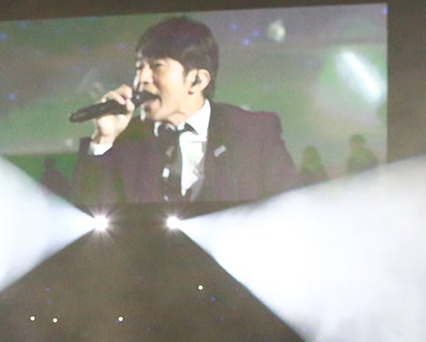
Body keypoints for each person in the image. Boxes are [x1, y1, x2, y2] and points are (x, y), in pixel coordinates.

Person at [72, 15, 298, 206]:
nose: (141, 80)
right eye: (139, 67)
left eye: (156, 66)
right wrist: (104, 138)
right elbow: (90, 218)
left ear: (197, 81)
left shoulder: (253, 133)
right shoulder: (124, 140)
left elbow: (287, 211)